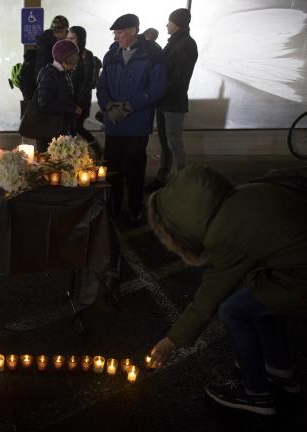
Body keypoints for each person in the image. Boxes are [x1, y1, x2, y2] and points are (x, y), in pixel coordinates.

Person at [148, 165, 306, 416]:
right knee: (259, 298)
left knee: (233, 310)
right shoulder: (242, 195)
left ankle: (256, 394)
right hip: (293, 268)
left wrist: (171, 341)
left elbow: (208, 298)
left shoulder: (224, 231)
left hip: (300, 278)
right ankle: (279, 370)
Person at [96, 13, 165, 223]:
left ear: (134, 31)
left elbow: (157, 88)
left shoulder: (152, 55)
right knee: (112, 169)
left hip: (137, 124)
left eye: (120, 32)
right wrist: (107, 105)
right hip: (114, 124)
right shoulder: (111, 56)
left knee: (135, 170)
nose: (116, 37)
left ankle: (135, 209)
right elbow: (102, 85)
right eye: (115, 33)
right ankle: (114, 208)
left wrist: (129, 106)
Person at [146, 9, 198, 193]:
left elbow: (179, 78)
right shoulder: (173, 43)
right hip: (163, 100)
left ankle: (182, 182)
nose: (166, 25)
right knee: (164, 141)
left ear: (178, 24)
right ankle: (162, 177)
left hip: (173, 102)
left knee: (174, 142)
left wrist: (159, 89)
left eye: (169, 21)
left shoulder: (187, 45)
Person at [33, 39, 79, 153]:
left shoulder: (63, 73)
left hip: (59, 131)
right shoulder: (49, 75)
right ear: (64, 59)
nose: (76, 61)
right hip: (50, 135)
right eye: (73, 58)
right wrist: (71, 108)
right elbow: (45, 105)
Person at [67, 25, 101, 157]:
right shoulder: (68, 53)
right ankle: (74, 154)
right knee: (73, 128)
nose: (70, 40)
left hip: (81, 99)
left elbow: (88, 81)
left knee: (76, 127)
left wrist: (79, 103)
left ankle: (85, 151)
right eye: (68, 38)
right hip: (69, 99)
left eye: (73, 38)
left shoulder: (87, 55)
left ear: (80, 39)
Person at [33, 15, 69, 83]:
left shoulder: (48, 43)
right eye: (66, 30)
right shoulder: (48, 48)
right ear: (58, 31)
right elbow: (43, 73)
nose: (67, 33)